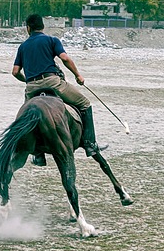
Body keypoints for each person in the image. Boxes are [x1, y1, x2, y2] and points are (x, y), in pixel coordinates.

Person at [12, 14, 108, 166]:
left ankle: (37, 154)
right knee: (85, 103)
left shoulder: (23, 46)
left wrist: (28, 81)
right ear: (42, 26)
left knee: (26, 118)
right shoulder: (51, 40)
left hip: (31, 89)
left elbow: (15, 72)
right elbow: (65, 59)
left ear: (28, 28)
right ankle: (90, 144)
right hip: (52, 83)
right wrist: (78, 75)